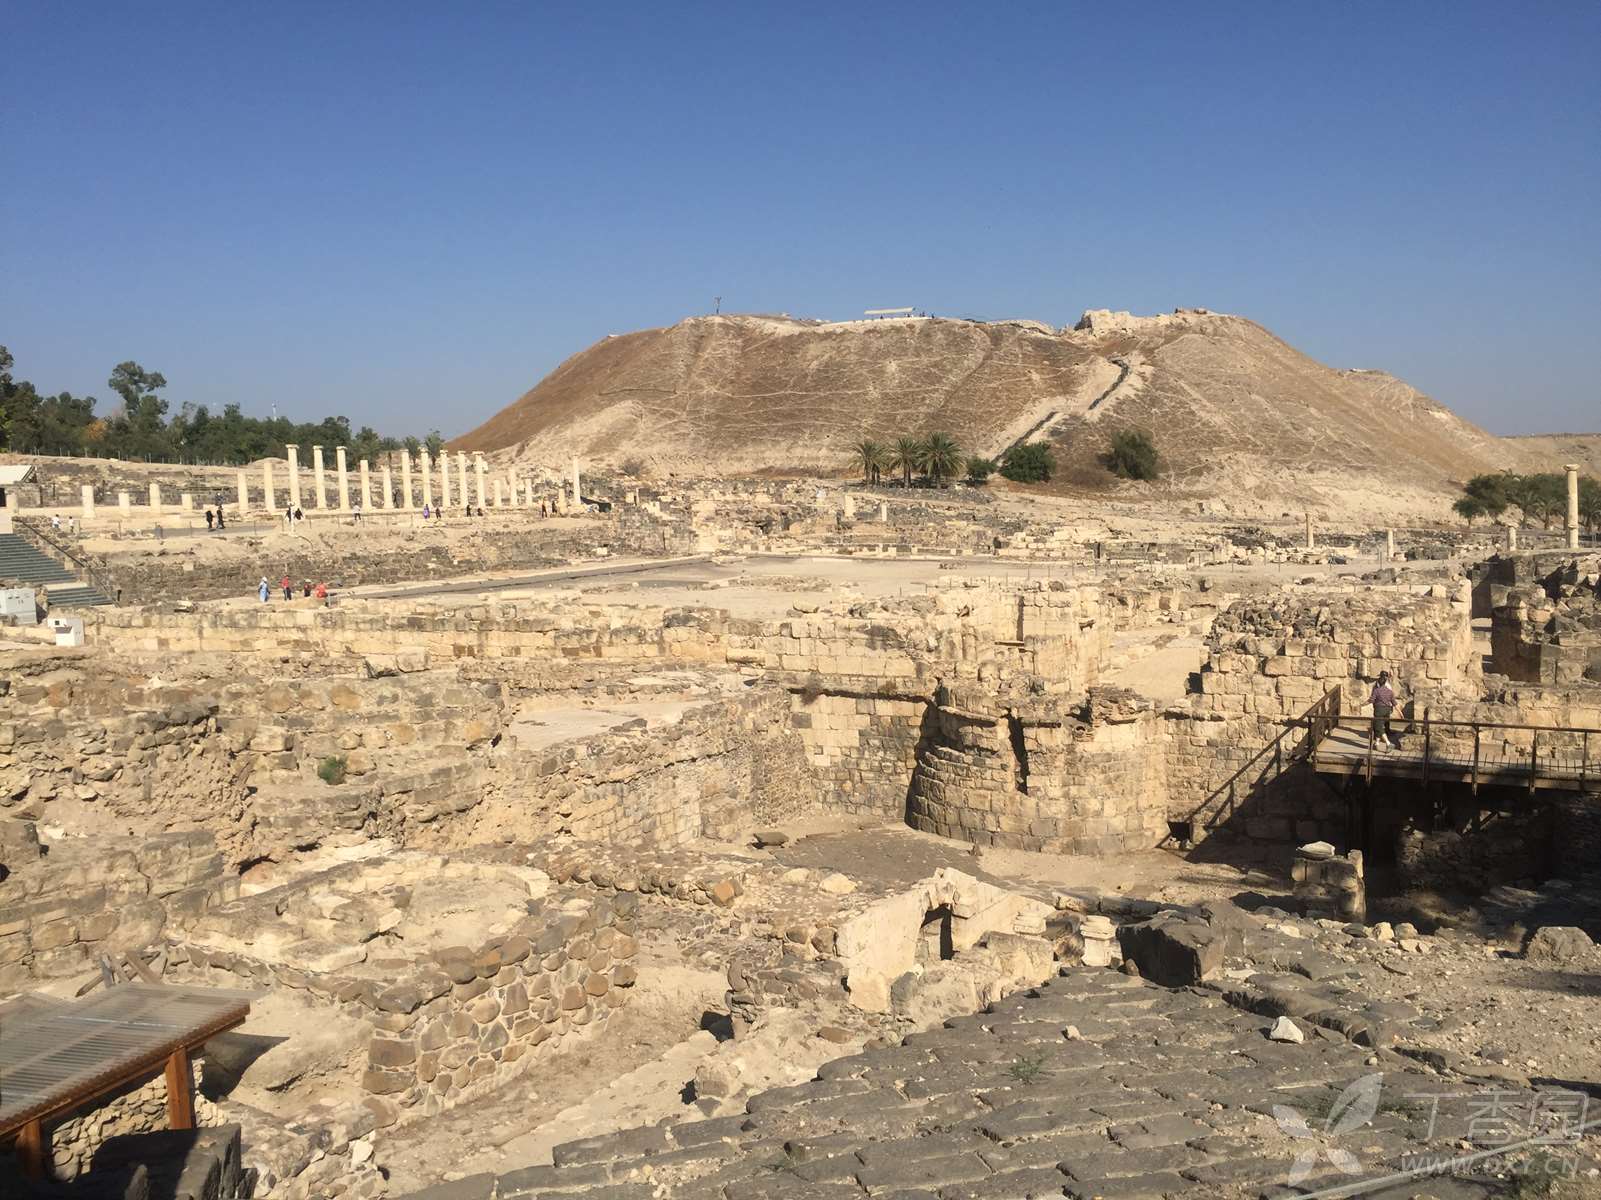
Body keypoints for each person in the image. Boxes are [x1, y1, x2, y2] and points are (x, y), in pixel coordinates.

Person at [1367, 671, 1402, 750]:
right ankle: (1377, 743)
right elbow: (1392, 699)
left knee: (1379, 726)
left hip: (1380, 708)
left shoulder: (1383, 686)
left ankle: (1388, 743)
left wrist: (1362, 704)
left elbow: (1374, 697)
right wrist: (1399, 712)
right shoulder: (1382, 685)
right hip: (1383, 707)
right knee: (1379, 725)